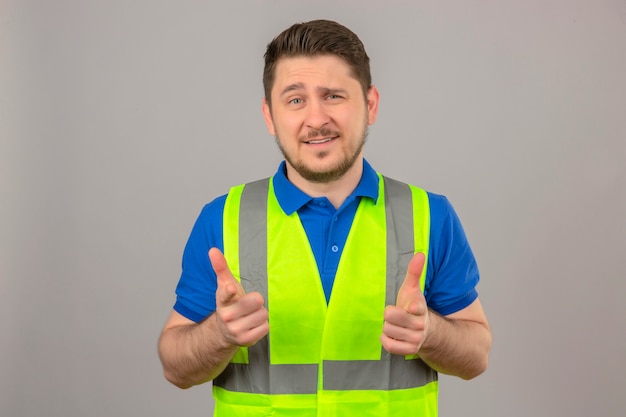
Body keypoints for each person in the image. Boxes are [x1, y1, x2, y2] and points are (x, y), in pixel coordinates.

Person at [158, 19, 491, 416]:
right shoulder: (222, 218)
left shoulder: (429, 215)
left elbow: (476, 357)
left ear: (370, 104)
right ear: (269, 116)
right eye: (295, 100)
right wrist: (220, 333)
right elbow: (174, 366)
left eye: (333, 96)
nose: (316, 119)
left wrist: (431, 333)